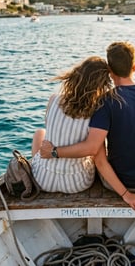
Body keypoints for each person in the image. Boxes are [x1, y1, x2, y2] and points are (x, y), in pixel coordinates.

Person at [41, 42, 135, 211]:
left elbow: (95, 152)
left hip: (118, 185)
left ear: (110, 72)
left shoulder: (106, 101)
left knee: (98, 153)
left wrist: (126, 195)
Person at [31, 56, 115, 193]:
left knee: (40, 133)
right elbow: (96, 154)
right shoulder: (97, 112)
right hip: (77, 182)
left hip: (43, 179)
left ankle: (40, 166)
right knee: (96, 146)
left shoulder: (53, 100)